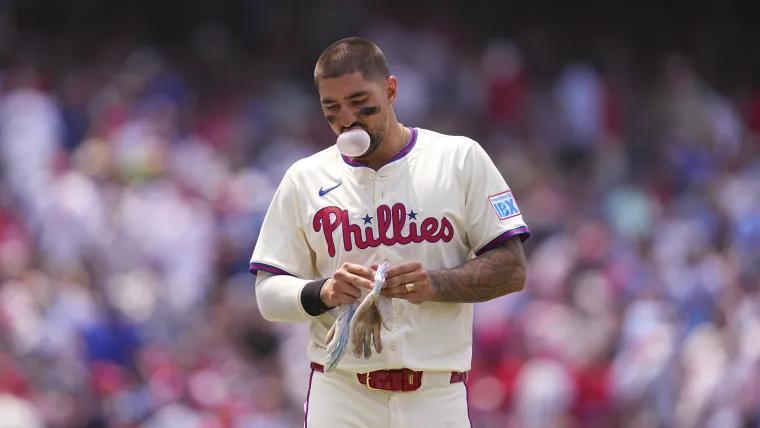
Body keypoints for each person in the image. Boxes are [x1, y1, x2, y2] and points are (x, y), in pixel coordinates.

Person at [249, 37, 529, 427]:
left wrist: (435, 283)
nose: (348, 118)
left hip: (435, 395)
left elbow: (512, 269)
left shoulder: (458, 159)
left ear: (391, 90)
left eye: (359, 101)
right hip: (342, 395)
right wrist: (323, 292)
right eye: (332, 108)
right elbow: (267, 293)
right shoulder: (305, 178)